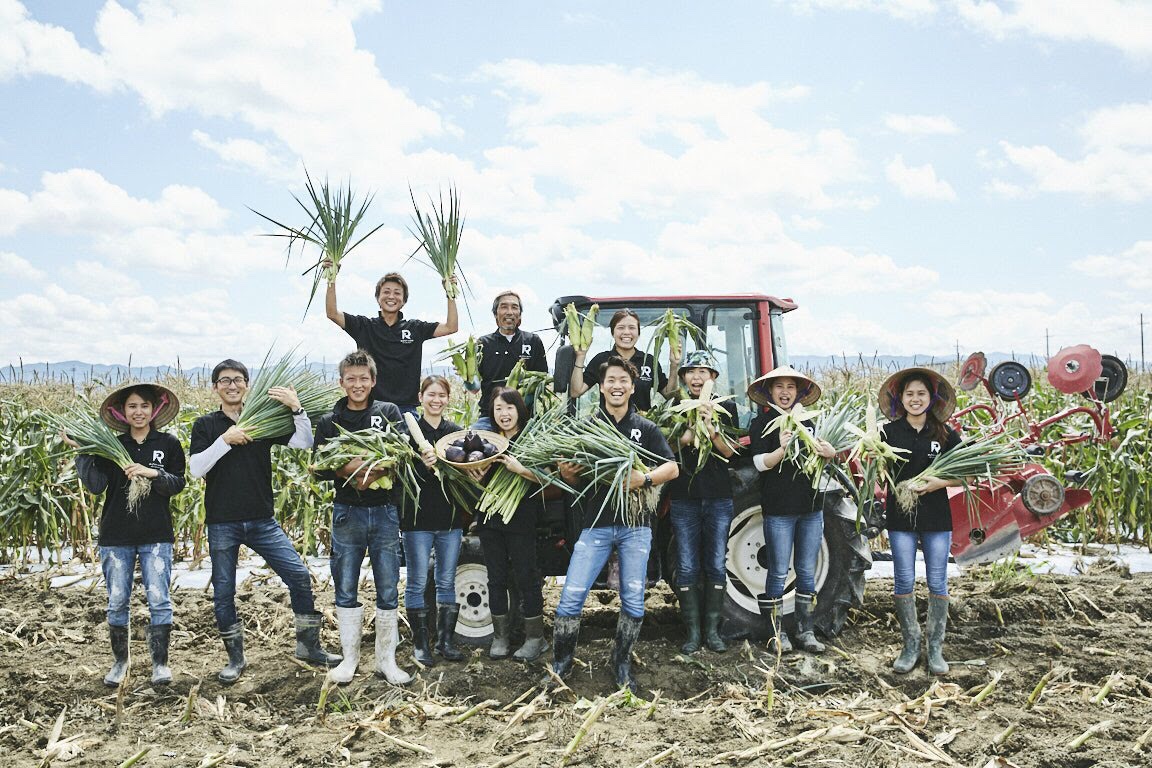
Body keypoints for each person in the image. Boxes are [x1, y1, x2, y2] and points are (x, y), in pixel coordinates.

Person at [189, 359, 341, 684]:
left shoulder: (260, 417)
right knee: (224, 592)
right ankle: (235, 659)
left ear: (247, 384)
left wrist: (298, 410)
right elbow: (196, 469)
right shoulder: (206, 424)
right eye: (225, 380)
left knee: (299, 576)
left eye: (238, 379)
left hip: (262, 520)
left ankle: (308, 646)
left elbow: (303, 443)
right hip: (222, 522)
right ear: (215, 387)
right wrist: (225, 441)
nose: (232, 385)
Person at [552, 357, 679, 693]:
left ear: (632, 386)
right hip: (595, 525)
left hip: (636, 527)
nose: (617, 385)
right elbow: (575, 477)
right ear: (602, 386)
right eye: (611, 380)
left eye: (623, 379)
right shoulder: (589, 427)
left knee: (634, 601)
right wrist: (567, 472)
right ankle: (560, 666)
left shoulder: (646, 429)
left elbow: (672, 468)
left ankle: (621, 663)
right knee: (571, 597)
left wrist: (644, 477)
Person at [314, 350, 431, 685]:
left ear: (373, 381)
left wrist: (354, 466)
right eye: (350, 379)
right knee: (346, 586)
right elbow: (322, 466)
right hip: (347, 513)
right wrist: (365, 466)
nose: (357, 384)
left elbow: (399, 456)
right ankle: (349, 660)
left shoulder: (388, 412)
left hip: (384, 512)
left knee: (388, 588)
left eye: (364, 378)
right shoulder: (329, 421)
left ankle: (386, 660)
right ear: (341, 382)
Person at [66, 383, 185, 686]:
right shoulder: (111, 446)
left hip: (156, 535)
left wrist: (151, 473)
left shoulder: (168, 444)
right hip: (116, 535)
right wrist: (81, 453)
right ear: (122, 411)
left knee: (159, 599)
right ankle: (121, 663)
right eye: (132, 406)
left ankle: (160, 664)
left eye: (144, 406)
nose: (138, 412)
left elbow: (177, 484)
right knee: (118, 600)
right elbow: (95, 486)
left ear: (154, 409)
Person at [748, 365, 836, 655]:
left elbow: (823, 461)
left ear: (799, 393)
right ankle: (777, 634)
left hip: (811, 508)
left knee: (806, 572)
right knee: (777, 571)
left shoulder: (810, 423)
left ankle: (805, 630)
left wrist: (830, 454)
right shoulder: (761, 424)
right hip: (779, 510)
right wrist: (781, 450)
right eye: (779, 387)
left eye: (790, 387)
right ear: (769, 392)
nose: (785, 392)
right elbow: (760, 463)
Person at [879, 367, 962, 675]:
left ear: (931, 398)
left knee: (937, 580)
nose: (915, 399)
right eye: (910, 394)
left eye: (921, 394)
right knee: (903, 579)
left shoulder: (944, 433)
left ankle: (935, 648)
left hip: (936, 517)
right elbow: (879, 470)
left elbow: (963, 472)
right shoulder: (888, 433)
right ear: (901, 399)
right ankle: (910, 644)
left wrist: (936, 484)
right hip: (901, 516)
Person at [664, 351, 737, 654]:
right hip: (684, 498)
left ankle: (713, 631)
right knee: (687, 564)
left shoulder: (727, 407)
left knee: (716, 562)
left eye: (703, 372)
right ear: (683, 378)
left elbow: (731, 453)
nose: (697, 377)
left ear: (713, 378)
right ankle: (692, 633)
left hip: (719, 497)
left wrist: (711, 429)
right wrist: (684, 437)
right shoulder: (674, 408)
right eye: (691, 372)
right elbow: (663, 447)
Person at [475, 387, 549, 662]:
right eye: (498, 409)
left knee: (526, 576)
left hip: (521, 518)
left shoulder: (531, 439)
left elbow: (548, 478)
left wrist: (521, 470)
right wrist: (477, 477)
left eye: (509, 407)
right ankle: (500, 637)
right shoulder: (487, 442)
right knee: (495, 578)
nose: (504, 414)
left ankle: (535, 638)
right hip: (490, 519)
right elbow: (477, 479)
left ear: (519, 409)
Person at [400, 375, 467, 667]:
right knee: (416, 582)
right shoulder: (408, 433)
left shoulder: (455, 434)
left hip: (450, 518)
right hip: (417, 519)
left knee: (446, 581)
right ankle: (420, 645)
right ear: (421, 397)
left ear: (447, 399)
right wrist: (419, 463)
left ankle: (445, 642)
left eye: (441, 395)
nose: (436, 399)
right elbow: (398, 475)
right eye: (431, 394)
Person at [326, 270, 458, 413]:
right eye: (386, 292)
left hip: (406, 409)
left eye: (397, 293)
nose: (391, 296)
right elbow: (332, 313)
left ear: (404, 300)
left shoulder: (415, 328)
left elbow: (451, 327)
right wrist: (331, 278)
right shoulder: (364, 326)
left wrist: (449, 293)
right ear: (378, 297)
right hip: (371, 408)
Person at [567, 308, 680, 413]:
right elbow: (575, 391)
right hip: (608, 430)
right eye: (621, 328)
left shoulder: (649, 361)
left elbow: (669, 395)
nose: (626, 332)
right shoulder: (601, 360)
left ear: (638, 333)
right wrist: (581, 356)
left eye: (632, 328)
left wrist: (674, 365)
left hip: (642, 429)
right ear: (613, 332)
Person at [475, 290, 548, 429]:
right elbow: (473, 386)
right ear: (496, 314)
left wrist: (521, 399)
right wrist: (466, 375)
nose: (509, 312)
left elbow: (541, 380)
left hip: (525, 418)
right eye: (504, 307)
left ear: (520, 314)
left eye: (514, 307)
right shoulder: (483, 343)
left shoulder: (533, 341)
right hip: (489, 418)